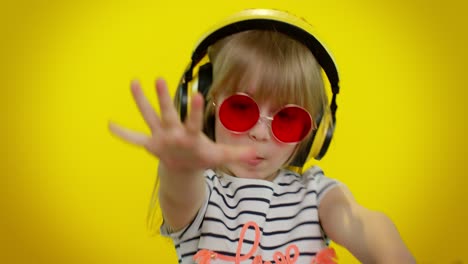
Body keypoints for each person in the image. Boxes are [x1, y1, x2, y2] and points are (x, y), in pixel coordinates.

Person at [109, 9, 415, 264]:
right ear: (207, 105)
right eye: (241, 108)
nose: (259, 133)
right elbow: (178, 196)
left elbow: (363, 226)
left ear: (315, 132)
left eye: (287, 118)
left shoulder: (316, 194)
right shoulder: (204, 194)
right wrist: (178, 166)